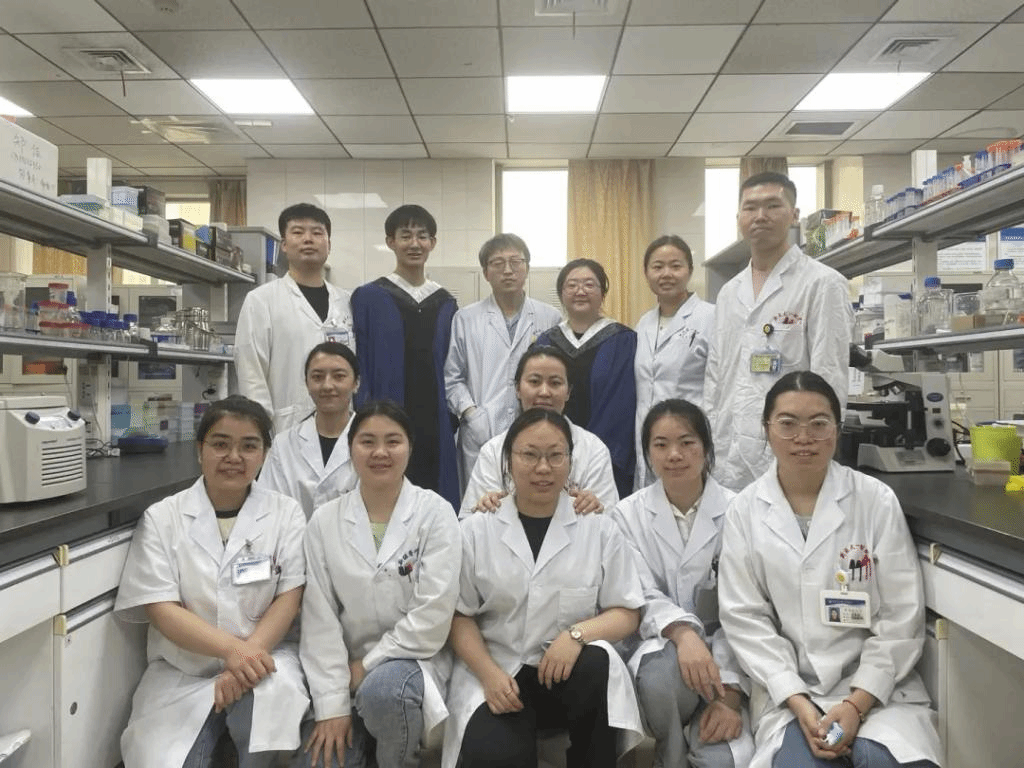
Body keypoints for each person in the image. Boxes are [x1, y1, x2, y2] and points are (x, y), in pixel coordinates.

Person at [718, 371, 942, 768]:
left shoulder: (875, 500)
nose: (803, 437)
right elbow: (745, 620)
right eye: (788, 424)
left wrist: (857, 703)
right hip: (792, 694)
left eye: (819, 424)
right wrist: (798, 700)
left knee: (883, 760)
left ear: (837, 430)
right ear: (766, 429)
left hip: (879, 690)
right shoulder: (744, 511)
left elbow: (901, 616)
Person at [444, 408, 646, 768]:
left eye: (555, 456)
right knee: (498, 756)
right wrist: (489, 674)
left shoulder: (598, 527)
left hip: (568, 675)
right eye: (529, 455)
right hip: (501, 671)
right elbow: (459, 616)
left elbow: (627, 611)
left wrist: (577, 635)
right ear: (508, 461)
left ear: (570, 462)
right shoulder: (476, 529)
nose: (543, 467)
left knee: (597, 662)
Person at [115, 395, 308, 768]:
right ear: (199, 449)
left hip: (263, 661)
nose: (234, 457)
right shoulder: (163, 517)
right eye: (221, 444)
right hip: (183, 671)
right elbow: (161, 607)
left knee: (262, 725)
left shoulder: (285, 514)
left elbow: (290, 596)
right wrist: (232, 651)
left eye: (248, 446)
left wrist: (247, 657)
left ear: (264, 454)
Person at [295, 400, 461, 768]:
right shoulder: (324, 521)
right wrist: (333, 705)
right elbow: (319, 618)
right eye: (367, 442)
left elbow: (432, 619)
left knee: (383, 693)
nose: (380, 452)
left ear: (409, 448)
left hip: (411, 665)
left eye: (393, 441)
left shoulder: (435, 513)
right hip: (342, 671)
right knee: (318, 761)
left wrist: (366, 665)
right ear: (350, 448)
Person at [612, 399, 754, 768]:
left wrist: (730, 693)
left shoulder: (741, 511)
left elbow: (749, 605)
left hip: (733, 651)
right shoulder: (627, 515)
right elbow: (638, 591)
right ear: (648, 454)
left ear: (706, 448)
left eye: (687, 442)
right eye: (660, 445)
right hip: (663, 645)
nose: (674, 455)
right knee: (659, 680)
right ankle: (669, 757)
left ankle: (717, 721)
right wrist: (684, 633)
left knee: (721, 761)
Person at [705, 172, 853, 491]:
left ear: (794, 215)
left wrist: (815, 448)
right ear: (738, 218)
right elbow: (715, 377)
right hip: (727, 456)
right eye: (750, 208)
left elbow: (830, 378)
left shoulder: (822, 284)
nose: (760, 216)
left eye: (773, 205)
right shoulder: (729, 293)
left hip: (791, 453)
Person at [351, 204, 459, 509]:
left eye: (422, 236)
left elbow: (453, 366)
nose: (414, 243)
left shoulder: (445, 303)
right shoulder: (368, 297)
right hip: (384, 413)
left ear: (433, 243)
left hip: (436, 421)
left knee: (435, 504)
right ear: (391, 241)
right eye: (405, 235)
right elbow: (360, 362)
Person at [445, 233, 562, 490]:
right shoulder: (466, 318)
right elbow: (452, 378)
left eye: (515, 262)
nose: (508, 270)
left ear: (527, 268)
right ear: (486, 273)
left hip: (536, 427)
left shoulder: (550, 317)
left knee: (532, 497)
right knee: (482, 503)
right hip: (480, 431)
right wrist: (471, 413)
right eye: (498, 263)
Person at [235, 203, 354, 433]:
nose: (308, 239)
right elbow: (251, 375)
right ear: (284, 245)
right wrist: (261, 432)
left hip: (344, 430)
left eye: (317, 233)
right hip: (283, 430)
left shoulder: (347, 302)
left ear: (329, 244)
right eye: (298, 232)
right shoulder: (261, 301)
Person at [461, 345, 618, 518]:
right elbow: (470, 523)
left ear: (568, 392)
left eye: (555, 383)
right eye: (534, 382)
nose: (544, 392)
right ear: (517, 389)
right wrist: (485, 507)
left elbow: (609, 521)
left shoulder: (593, 450)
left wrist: (593, 505)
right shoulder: (492, 451)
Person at [536, 258, 637, 497]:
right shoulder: (546, 341)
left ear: (603, 293)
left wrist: (589, 455)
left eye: (589, 285)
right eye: (572, 285)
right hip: (548, 457)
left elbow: (621, 407)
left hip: (606, 458)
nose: (580, 291)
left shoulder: (623, 340)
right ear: (561, 294)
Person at [633, 236, 715, 489]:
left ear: (689, 270)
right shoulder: (644, 323)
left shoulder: (711, 317)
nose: (666, 274)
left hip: (690, 436)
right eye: (657, 267)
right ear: (646, 273)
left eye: (675, 266)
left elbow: (720, 386)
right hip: (649, 438)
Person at [257, 341, 359, 519]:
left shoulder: (373, 443)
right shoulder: (284, 445)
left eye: (339, 376)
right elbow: (268, 508)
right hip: (293, 536)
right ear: (307, 383)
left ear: (356, 383)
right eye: (317, 377)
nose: (327, 386)